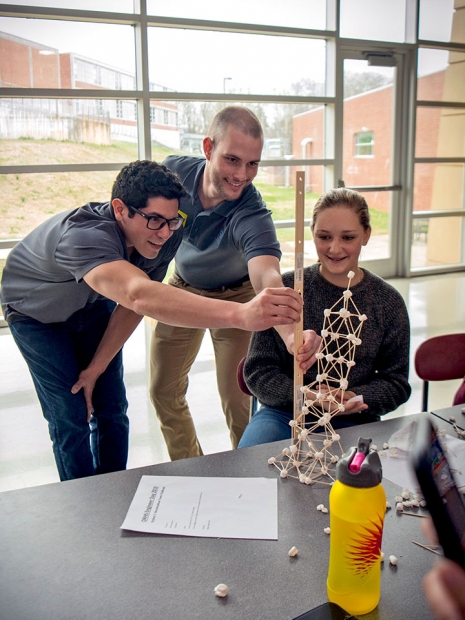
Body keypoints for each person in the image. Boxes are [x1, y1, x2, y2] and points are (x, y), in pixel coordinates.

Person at [1, 160, 306, 481]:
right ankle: (82, 501)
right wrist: (241, 314)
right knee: (71, 415)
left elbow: (131, 308)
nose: (164, 233)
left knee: (112, 408)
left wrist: (97, 367)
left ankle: (112, 488)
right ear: (120, 209)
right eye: (154, 220)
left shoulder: (164, 236)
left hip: (88, 306)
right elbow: (137, 294)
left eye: (172, 221)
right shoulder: (83, 236)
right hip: (34, 314)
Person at [149, 106, 318, 461]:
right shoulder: (172, 174)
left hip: (239, 297)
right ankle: (190, 467)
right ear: (208, 148)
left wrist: (290, 335)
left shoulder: (251, 212)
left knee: (237, 398)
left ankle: (245, 474)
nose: (242, 175)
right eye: (232, 159)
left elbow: (267, 276)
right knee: (163, 389)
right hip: (183, 288)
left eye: (253, 163)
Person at [238, 187, 411, 448]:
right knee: (253, 469)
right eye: (324, 236)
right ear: (312, 234)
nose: (335, 248)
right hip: (284, 414)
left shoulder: (388, 302)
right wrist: (304, 396)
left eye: (348, 237)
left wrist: (353, 396)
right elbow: (258, 371)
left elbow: (396, 383)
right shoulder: (286, 289)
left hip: (355, 419)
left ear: (366, 235)